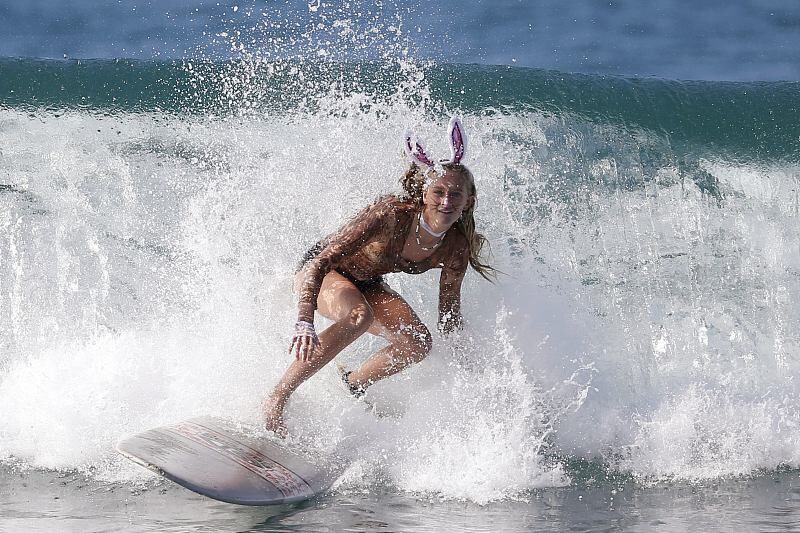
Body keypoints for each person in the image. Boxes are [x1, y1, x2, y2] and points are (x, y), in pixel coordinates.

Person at [263, 116, 494, 435]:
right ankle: (277, 398)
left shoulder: (456, 246)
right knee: (359, 315)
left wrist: (467, 364)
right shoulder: (391, 214)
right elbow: (321, 261)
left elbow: (449, 315)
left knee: (418, 342)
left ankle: (352, 384)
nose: (446, 201)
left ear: (468, 201)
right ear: (425, 193)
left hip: (368, 283)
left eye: (455, 195)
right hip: (321, 272)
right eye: (439, 192)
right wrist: (305, 320)